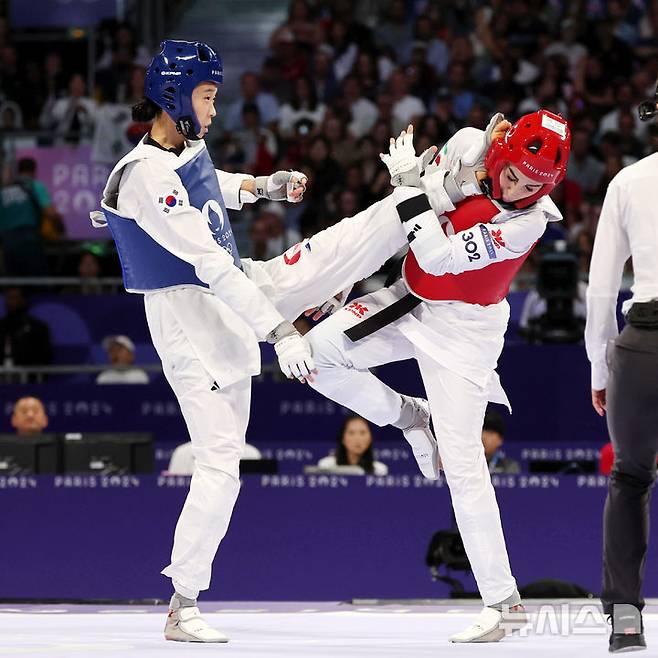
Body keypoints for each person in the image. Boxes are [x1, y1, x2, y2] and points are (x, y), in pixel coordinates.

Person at [301, 110, 571, 643]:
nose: (517, 189)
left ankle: (503, 602)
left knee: (465, 464)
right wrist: (342, 283)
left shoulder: (530, 221)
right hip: (408, 299)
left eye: (532, 184)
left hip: (466, 333)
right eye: (513, 173)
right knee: (313, 357)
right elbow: (395, 222)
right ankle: (409, 417)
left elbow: (437, 251)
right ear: (501, 151)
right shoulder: (470, 144)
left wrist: (408, 183)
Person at [93, 40, 317, 643]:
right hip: (188, 318)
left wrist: (265, 186)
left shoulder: (183, 152)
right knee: (219, 462)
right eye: (208, 97)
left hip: (220, 309)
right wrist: (278, 331)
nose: (215, 111)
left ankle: (184, 599)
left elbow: (212, 184)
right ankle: (182, 602)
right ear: (175, 96)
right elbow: (210, 260)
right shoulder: (143, 176)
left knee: (227, 463)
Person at [584, 80, 658, 653]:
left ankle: (626, 615)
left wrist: (599, 368)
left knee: (631, 477)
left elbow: (602, 287)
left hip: (644, 347)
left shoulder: (628, 183)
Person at [317, 415, 388, 475]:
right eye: (351, 433)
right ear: (342, 438)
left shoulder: (380, 470)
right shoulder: (326, 466)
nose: (357, 439)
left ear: (370, 438)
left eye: (362, 433)